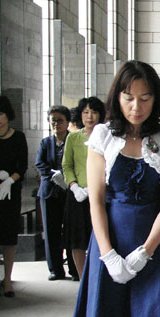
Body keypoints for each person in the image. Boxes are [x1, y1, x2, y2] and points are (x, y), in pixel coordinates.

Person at [73, 60, 160, 317]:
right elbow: (96, 201)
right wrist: (108, 255)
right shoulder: (103, 135)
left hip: (153, 241)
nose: (136, 107)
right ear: (117, 98)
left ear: (156, 99)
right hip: (111, 238)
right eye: (129, 98)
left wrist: (146, 252)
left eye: (145, 98)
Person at [62, 96, 106, 279]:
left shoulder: (107, 136)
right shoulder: (73, 137)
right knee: (77, 240)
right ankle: (82, 279)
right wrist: (74, 187)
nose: (90, 116)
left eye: (94, 112)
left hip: (101, 193)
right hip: (78, 195)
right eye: (86, 112)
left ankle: (98, 277)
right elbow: (67, 165)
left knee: (99, 236)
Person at [36, 105, 78, 281]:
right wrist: (53, 175)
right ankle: (55, 269)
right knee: (51, 231)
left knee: (70, 231)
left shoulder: (74, 140)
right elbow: (40, 163)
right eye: (53, 120)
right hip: (49, 192)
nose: (56, 124)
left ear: (67, 122)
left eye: (60, 120)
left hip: (69, 192)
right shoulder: (46, 143)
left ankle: (74, 269)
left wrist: (64, 175)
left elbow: (77, 163)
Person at [0, 95, 28, 298]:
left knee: (9, 238)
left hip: (10, 192)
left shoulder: (18, 137)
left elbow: (22, 166)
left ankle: (8, 280)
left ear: (7, 115)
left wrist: (10, 179)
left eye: (0, 113)